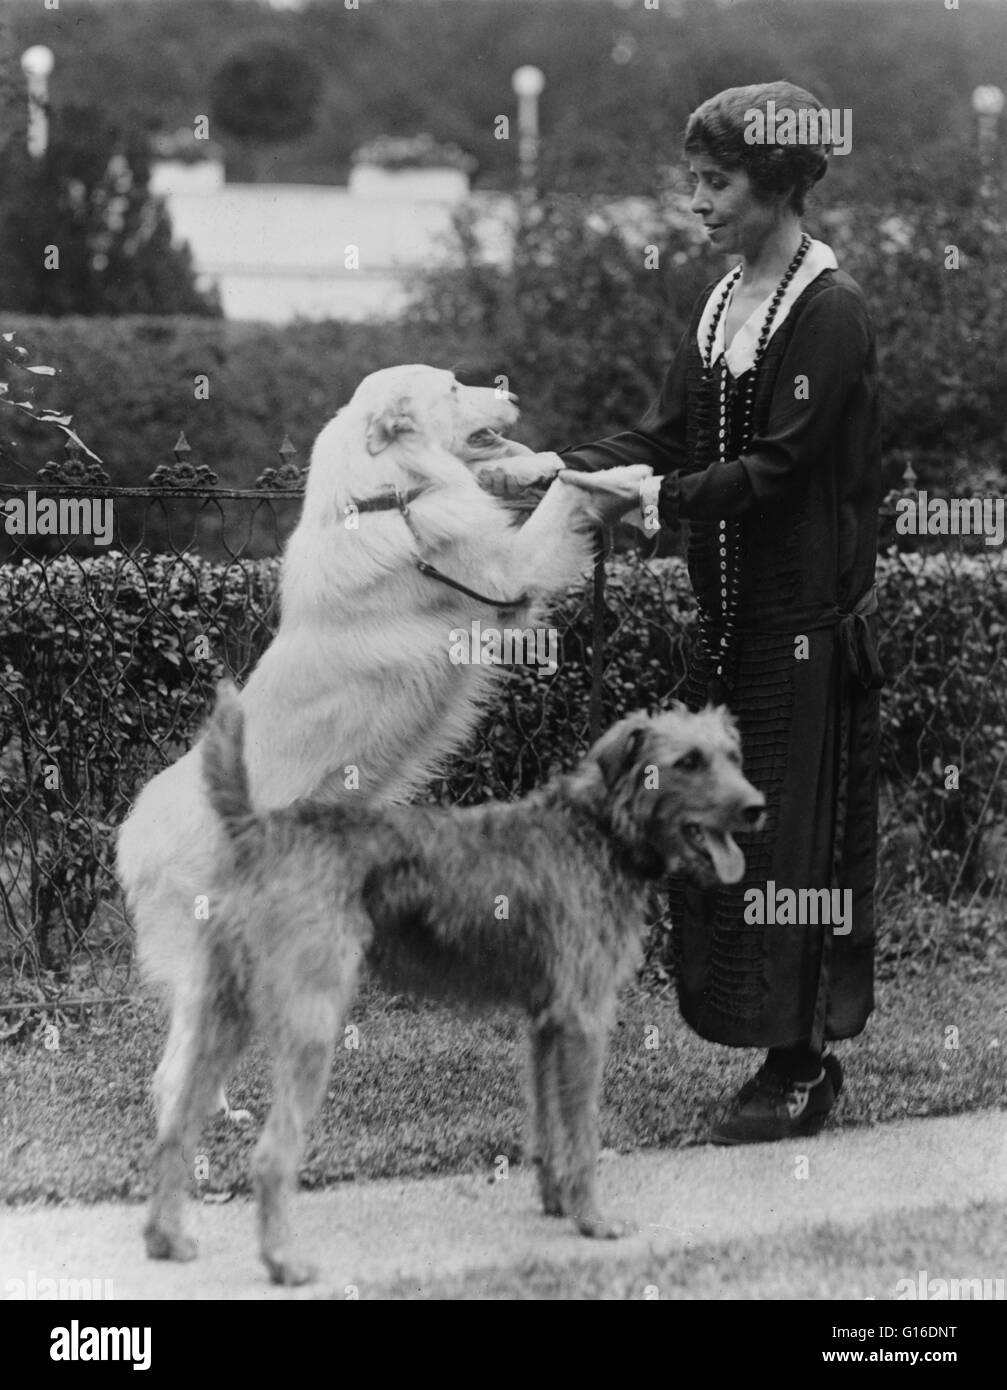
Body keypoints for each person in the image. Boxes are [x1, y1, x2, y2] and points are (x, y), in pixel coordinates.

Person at [533, 81, 885, 1143]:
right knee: (722, 841)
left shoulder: (827, 312)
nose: (694, 201)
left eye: (713, 180)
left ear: (775, 183)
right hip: (729, 627)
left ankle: (803, 1067)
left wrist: (649, 501)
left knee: (794, 851)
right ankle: (767, 1048)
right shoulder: (724, 300)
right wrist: (551, 468)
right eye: (690, 178)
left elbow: (771, 471)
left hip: (804, 630)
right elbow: (672, 435)